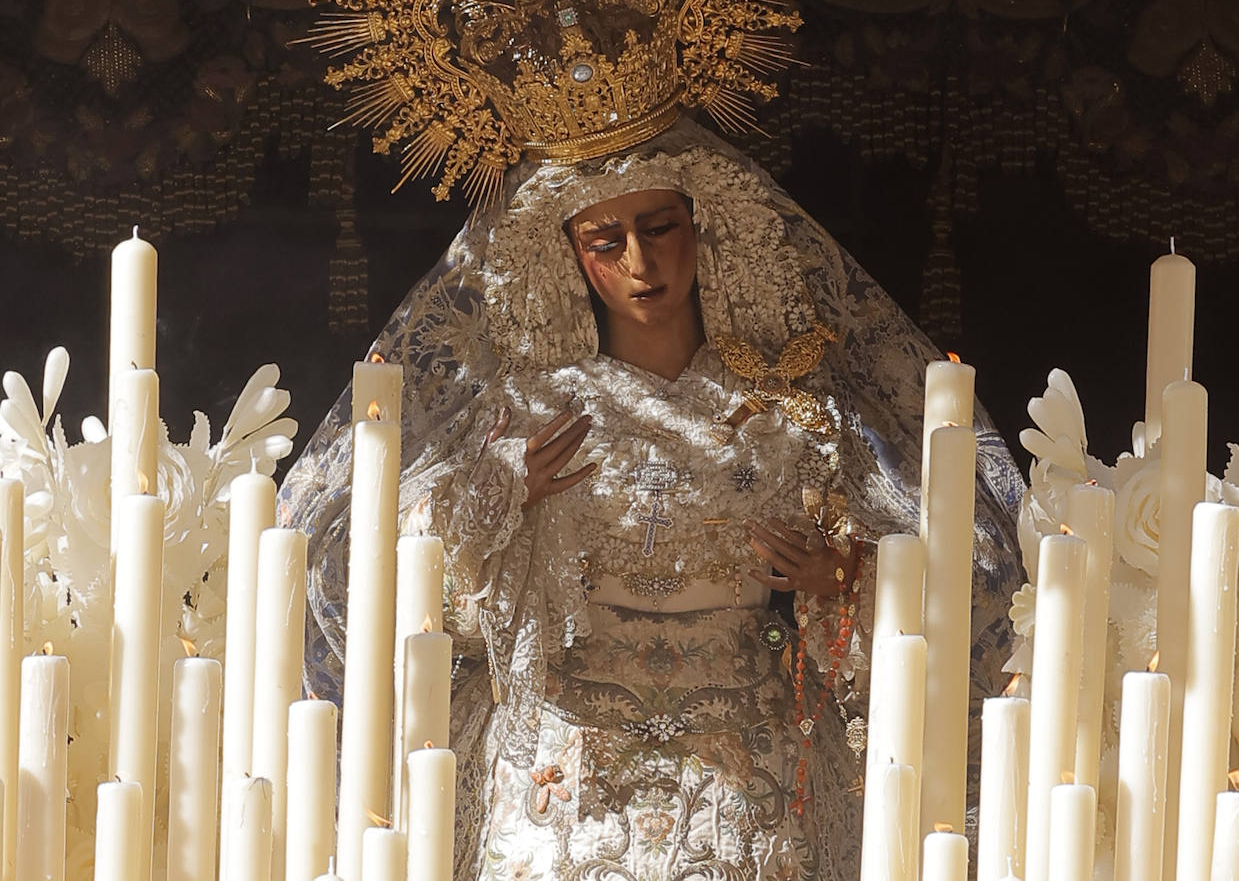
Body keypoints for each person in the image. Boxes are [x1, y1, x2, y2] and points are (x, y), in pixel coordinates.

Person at [281, 120, 1024, 881]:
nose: (640, 262)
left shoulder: (786, 407)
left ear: (702, 232)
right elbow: (399, 589)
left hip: (746, 754)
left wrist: (846, 580)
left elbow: (927, 567)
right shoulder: (525, 412)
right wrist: (490, 501)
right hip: (563, 765)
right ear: (567, 254)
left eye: (659, 227)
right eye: (606, 241)